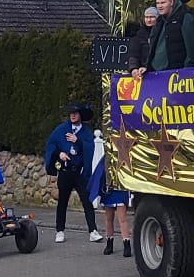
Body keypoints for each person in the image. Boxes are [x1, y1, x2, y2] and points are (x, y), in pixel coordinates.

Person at [42, 103, 98, 242]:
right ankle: (60, 231)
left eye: (75, 113)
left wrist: (77, 141)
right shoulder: (61, 129)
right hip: (65, 171)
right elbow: (51, 144)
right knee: (62, 202)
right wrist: (59, 153)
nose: (72, 115)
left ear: (81, 115)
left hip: (79, 173)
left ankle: (93, 231)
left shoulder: (85, 132)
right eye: (70, 113)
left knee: (87, 201)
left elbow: (90, 148)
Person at [87, 126, 131, 258]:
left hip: (120, 189)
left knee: (122, 218)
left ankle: (126, 244)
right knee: (108, 218)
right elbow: (99, 174)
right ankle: (109, 243)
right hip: (108, 191)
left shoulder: (125, 156)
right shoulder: (105, 159)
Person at [137, 0, 194, 71]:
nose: (160, 6)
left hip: (177, 73)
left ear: (171, 2)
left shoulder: (184, 17)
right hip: (156, 72)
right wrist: (147, 67)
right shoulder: (159, 21)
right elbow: (152, 48)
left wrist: (188, 69)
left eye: (163, 3)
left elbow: (192, 49)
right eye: (158, 3)